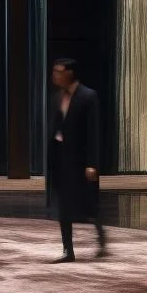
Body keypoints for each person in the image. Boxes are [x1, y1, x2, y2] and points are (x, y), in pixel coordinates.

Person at [47, 57, 107, 262]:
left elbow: (94, 133)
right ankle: (68, 250)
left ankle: (101, 238)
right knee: (64, 205)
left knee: (89, 205)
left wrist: (92, 163)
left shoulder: (88, 96)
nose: (55, 75)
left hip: (81, 161)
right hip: (62, 159)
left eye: (59, 71)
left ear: (70, 73)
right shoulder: (57, 97)